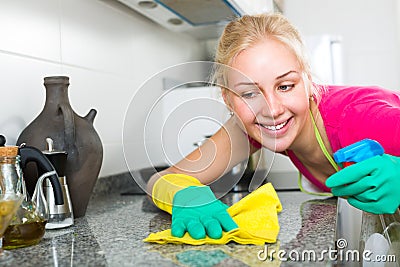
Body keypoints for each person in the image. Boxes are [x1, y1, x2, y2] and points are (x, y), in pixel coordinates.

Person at [146, 13, 400, 240]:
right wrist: (184, 195)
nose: (272, 110)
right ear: (228, 100)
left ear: (308, 82)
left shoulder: (362, 117)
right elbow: (164, 178)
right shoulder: (252, 126)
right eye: (249, 94)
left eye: (285, 86)